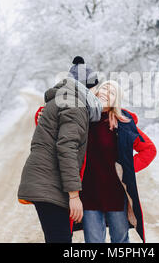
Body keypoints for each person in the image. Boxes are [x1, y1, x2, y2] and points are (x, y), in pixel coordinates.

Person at [35, 80, 157, 243]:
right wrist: (42, 113)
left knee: (120, 240)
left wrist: (125, 169)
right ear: (96, 93)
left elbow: (149, 149)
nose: (106, 92)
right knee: (93, 241)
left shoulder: (123, 122)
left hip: (115, 195)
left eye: (112, 92)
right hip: (89, 194)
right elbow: (51, 126)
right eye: (104, 88)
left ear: (116, 101)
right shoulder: (81, 116)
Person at [17, 56, 102, 243]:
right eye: (96, 87)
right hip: (49, 183)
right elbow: (67, 148)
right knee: (60, 239)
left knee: (58, 238)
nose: (98, 92)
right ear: (88, 86)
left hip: (46, 181)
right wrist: (74, 195)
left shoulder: (63, 100)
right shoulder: (75, 104)